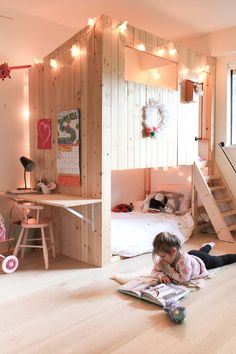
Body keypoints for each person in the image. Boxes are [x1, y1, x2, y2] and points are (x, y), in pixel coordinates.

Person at [151, 231, 236, 284]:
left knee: (220, 260)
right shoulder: (164, 259)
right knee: (201, 252)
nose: (161, 259)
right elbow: (154, 271)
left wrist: (169, 272)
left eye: (163, 256)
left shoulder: (183, 261)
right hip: (193, 254)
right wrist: (162, 276)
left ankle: (209, 246)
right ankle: (208, 245)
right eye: (160, 256)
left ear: (173, 251)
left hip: (203, 261)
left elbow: (184, 279)